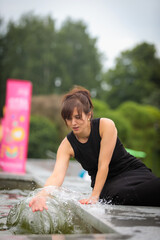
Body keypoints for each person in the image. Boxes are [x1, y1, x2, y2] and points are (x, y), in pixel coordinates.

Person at [29, 86, 160, 212]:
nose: (73, 123)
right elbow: (56, 176)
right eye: (69, 118)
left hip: (133, 171)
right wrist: (42, 196)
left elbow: (104, 164)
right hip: (107, 184)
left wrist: (94, 196)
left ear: (89, 115)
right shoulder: (66, 145)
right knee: (119, 196)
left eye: (78, 117)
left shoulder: (105, 125)